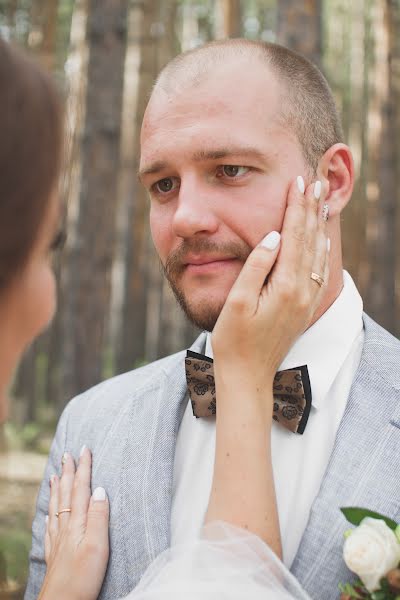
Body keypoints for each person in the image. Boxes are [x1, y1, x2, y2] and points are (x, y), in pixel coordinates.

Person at [26, 38, 400, 600]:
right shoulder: (92, 428)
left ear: (336, 182)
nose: (187, 218)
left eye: (230, 169)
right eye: (164, 185)